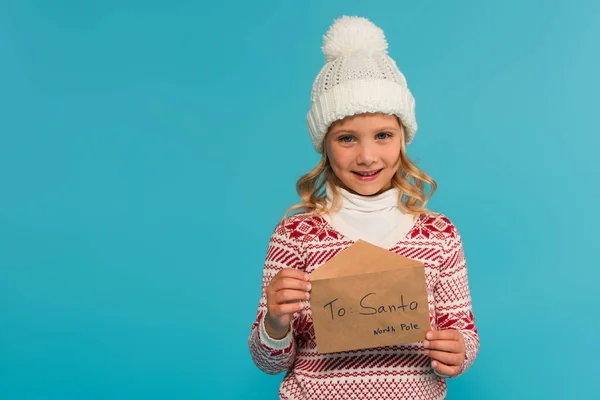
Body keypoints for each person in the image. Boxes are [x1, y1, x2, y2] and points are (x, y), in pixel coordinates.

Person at [247, 15, 479, 400]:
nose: (367, 156)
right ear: (324, 144)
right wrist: (274, 322)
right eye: (347, 138)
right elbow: (269, 362)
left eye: (383, 135)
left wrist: (459, 351)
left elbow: (463, 335)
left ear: (402, 139)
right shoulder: (296, 235)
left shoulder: (439, 235)